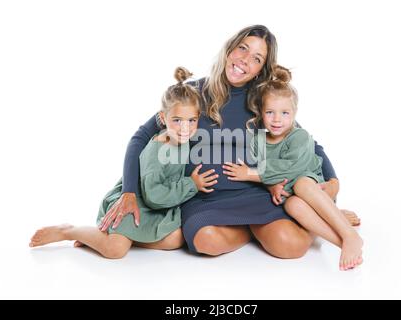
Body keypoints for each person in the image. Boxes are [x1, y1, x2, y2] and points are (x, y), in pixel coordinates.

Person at [100, 25, 359, 259]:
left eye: (256, 58)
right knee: (205, 242)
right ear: (229, 48)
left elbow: (308, 144)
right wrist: (129, 192)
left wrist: (333, 181)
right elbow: (140, 137)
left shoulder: (262, 101)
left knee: (289, 246)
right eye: (243, 49)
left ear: (261, 69)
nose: (245, 60)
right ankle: (250, 229)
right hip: (203, 198)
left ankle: (316, 217)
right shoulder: (192, 93)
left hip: (256, 192)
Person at [29, 67, 218, 259]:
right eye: (177, 120)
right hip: (142, 203)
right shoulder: (157, 153)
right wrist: (191, 184)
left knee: (176, 239)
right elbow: (153, 196)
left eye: (192, 120)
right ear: (162, 118)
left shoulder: (180, 139)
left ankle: (100, 237)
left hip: (158, 208)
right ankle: (69, 231)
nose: (185, 128)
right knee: (115, 250)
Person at [222, 65, 363, 270]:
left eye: (284, 113)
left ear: (294, 113)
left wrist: (250, 174)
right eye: (270, 112)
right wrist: (272, 187)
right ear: (261, 113)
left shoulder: (299, 136)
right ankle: (342, 242)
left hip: (316, 191)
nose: (277, 119)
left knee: (302, 184)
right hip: (293, 199)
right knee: (292, 205)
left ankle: (349, 234)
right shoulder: (259, 140)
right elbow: (270, 173)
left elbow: (290, 168)